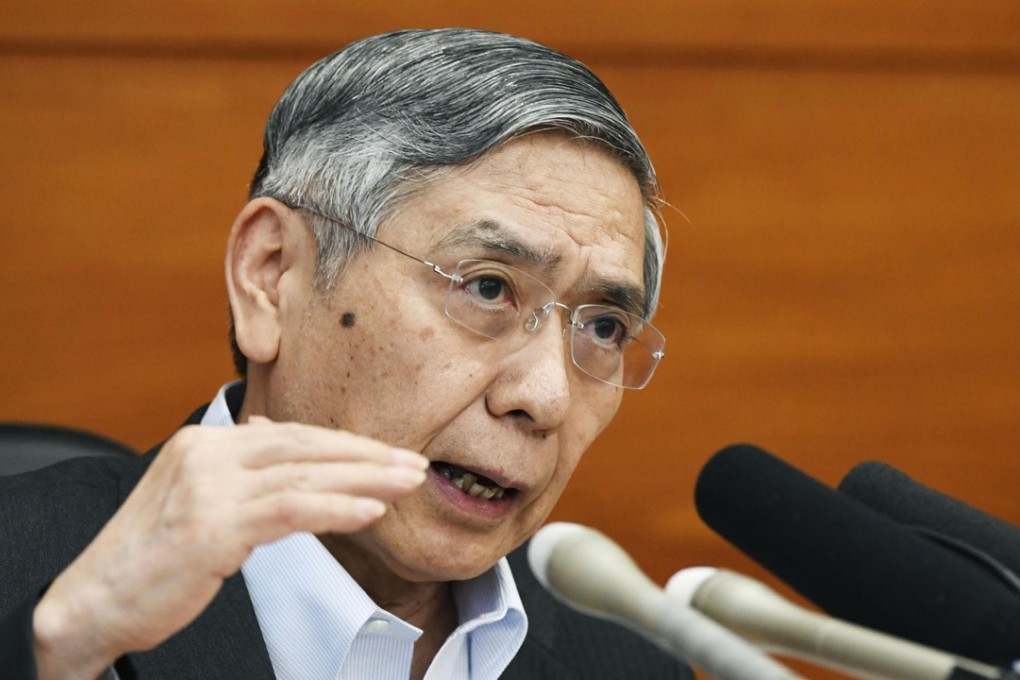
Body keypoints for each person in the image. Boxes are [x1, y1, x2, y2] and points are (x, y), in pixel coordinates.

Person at [0, 28, 684, 679]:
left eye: (603, 328)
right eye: (487, 287)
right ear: (272, 276)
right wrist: (61, 652)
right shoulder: (32, 590)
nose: (546, 397)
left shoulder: (631, 663)